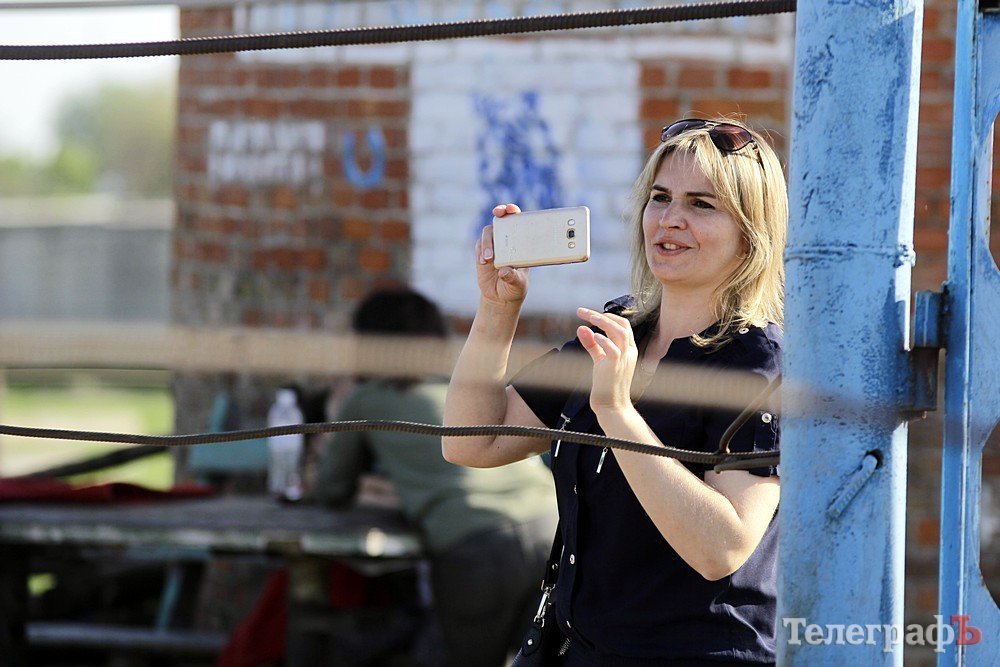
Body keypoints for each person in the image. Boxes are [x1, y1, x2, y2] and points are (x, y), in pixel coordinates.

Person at [443, 117, 787, 665]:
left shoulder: (757, 363)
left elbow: (721, 548)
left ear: (751, 232)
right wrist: (497, 309)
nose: (670, 219)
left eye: (701, 204)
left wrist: (617, 412)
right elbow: (472, 442)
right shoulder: (617, 331)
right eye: (660, 197)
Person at [313, 287, 559, 667]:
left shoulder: (365, 399)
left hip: (476, 544)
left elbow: (331, 489)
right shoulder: (461, 393)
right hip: (550, 526)